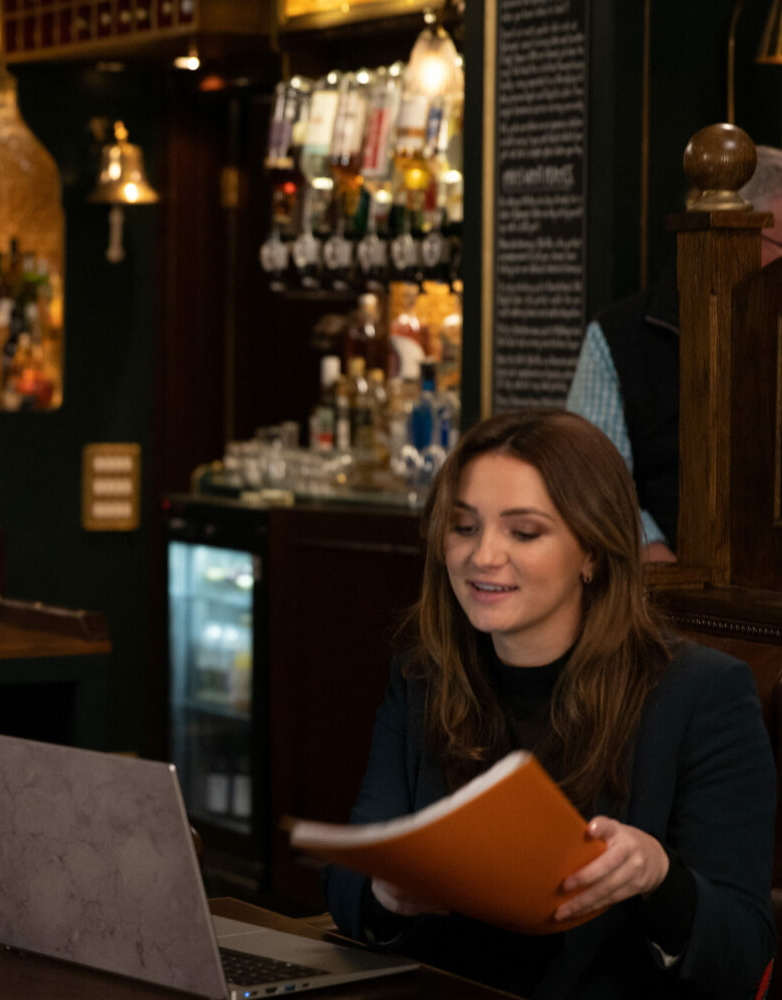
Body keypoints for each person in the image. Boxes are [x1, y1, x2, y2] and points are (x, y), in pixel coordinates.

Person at [324, 408, 775, 999]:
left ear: (593, 552)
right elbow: (348, 883)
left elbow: (743, 954)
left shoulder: (704, 693)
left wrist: (659, 877)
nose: (483, 555)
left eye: (524, 532)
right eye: (464, 527)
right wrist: (385, 894)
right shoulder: (422, 676)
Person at [566, 145, 782, 563]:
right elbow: (587, 479)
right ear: (733, 233)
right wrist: (657, 560)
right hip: (663, 580)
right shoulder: (621, 336)